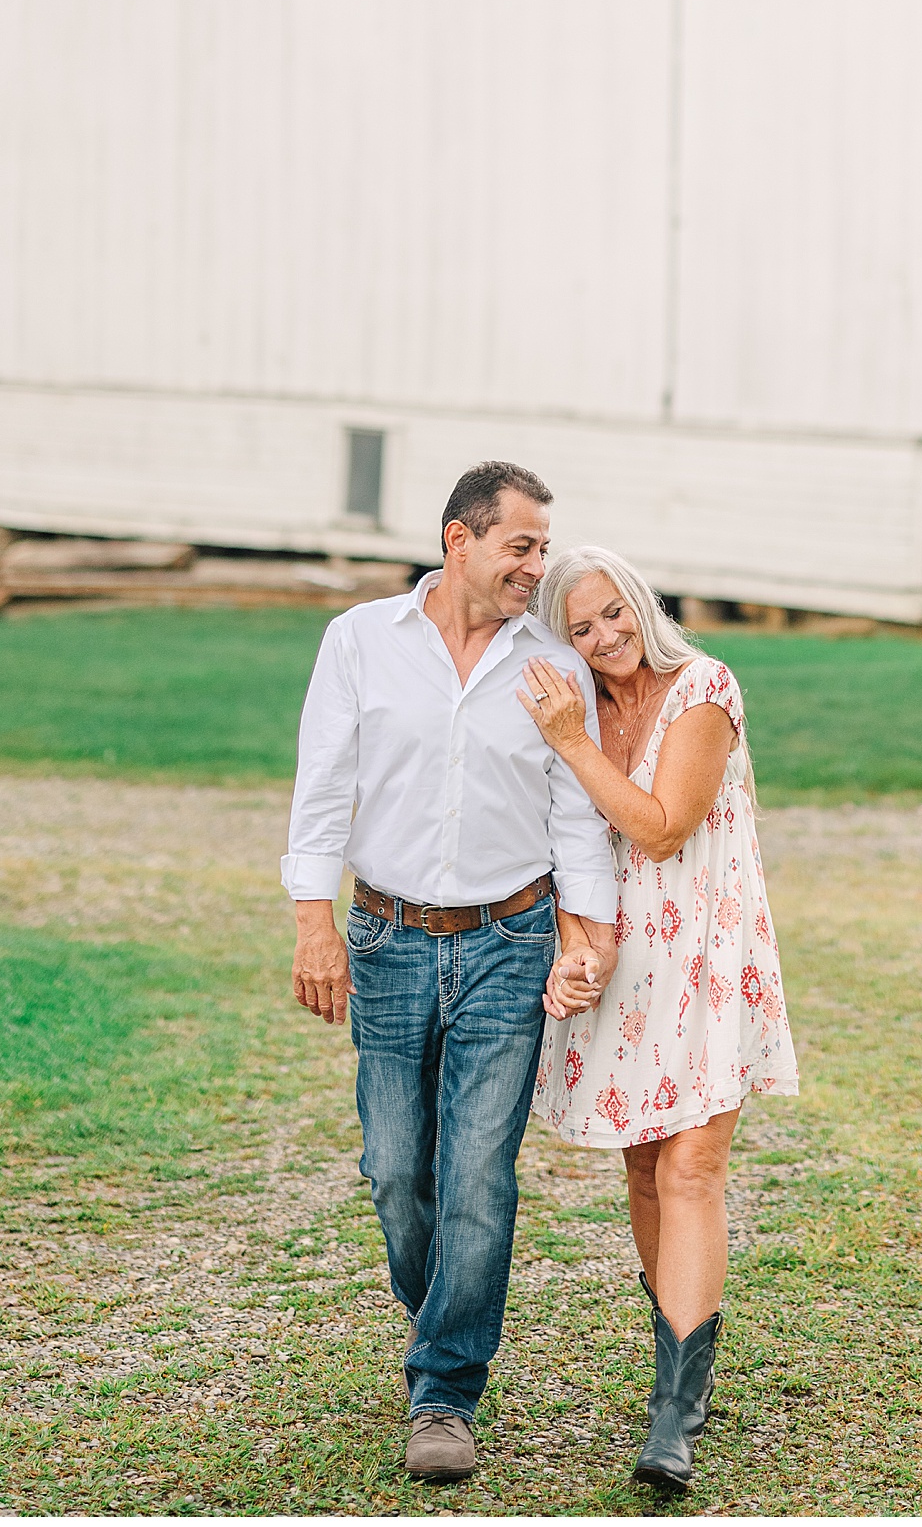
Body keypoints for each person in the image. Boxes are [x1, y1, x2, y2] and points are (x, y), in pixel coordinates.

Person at [283, 462, 617, 1485]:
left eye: (541, 547)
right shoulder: (358, 641)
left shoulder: (553, 663)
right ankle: (446, 1309)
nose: (536, 565)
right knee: (396, 1171)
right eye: (520, 544)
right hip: (385, 938)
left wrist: (585, 937)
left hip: (508, 943)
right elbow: (323, 783)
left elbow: (576, 818)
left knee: (478, 1174)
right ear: (458, 540)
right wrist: (314, 921)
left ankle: (444, 1388)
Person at [521, 545, 799, 1495]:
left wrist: (571, 745)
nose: (604, 639)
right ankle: (680, 1351)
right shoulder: (579, 705)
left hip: (709, 954)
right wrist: (575, 945)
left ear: (641, 604)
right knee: (643, 1160)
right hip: (623, 963)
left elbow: (662, 826)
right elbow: (560, 842)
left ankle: (673, 1413)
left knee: (693, 1162)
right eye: (581, 628)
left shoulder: (703, 688)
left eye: (614, 614)